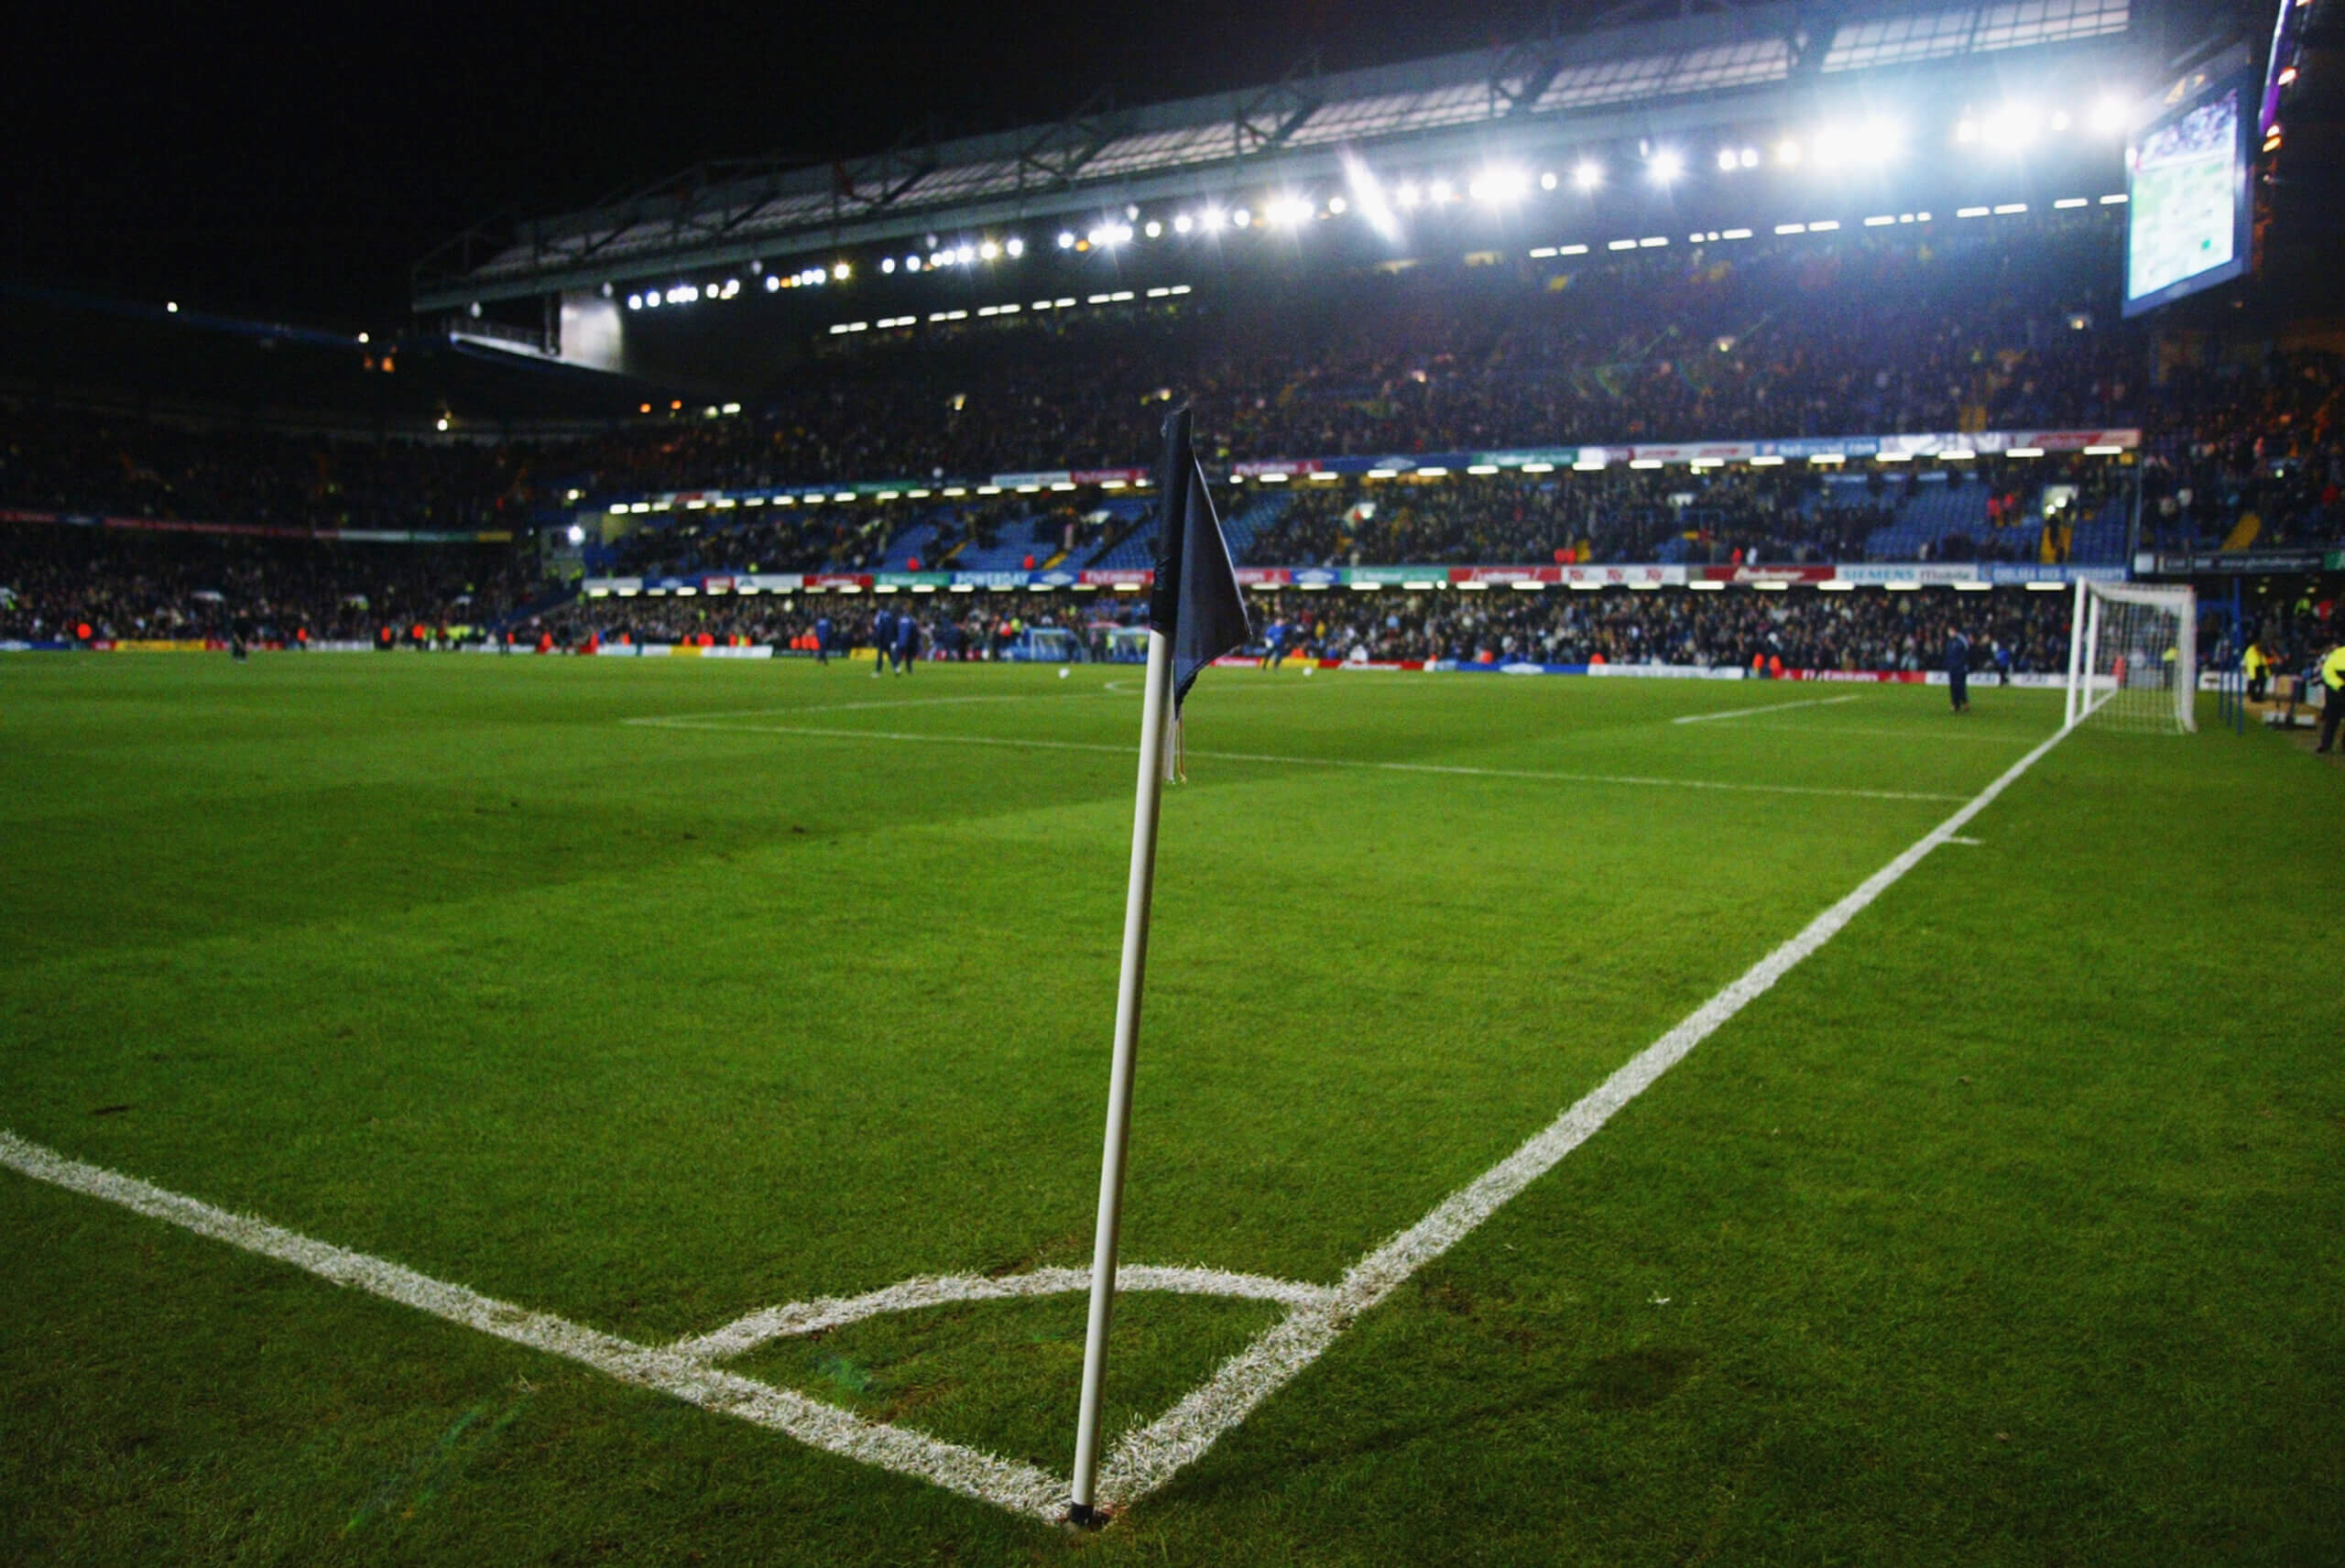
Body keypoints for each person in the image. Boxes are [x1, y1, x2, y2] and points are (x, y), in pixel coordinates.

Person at [2318, 637, 2345, 755]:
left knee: (2332, 721)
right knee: (2333, 720)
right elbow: (2327, 672)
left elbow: (2326, 673)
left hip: (2335, 691)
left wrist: (2339, 685)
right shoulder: (2336, 655)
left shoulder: (2334, 656)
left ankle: (2326, 745)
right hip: (2337, 690)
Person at [1946, 625, 1970, 713]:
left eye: (1950, 631)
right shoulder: (1950, 642)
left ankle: (1964, 702)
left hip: (1960, 667)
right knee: (1953, 686)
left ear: (1954, 630)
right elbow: (1948, 655)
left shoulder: (1961, 640)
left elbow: (1966, 653)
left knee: (1960, 686)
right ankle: (1955, 704)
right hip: (1952, 668)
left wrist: (1964, 665)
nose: (1949, 633)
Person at [870, 607, 897, 677]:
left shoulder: (879, 617)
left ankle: (878, 672)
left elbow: (880, 629)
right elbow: (894, 624)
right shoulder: (888, 615)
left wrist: (877, 637)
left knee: (880, 656)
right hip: (889, 638)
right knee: (890, 655)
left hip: (882, 639)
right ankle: (896, 668)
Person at [893, 609, 920, 674]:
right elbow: (915, 632)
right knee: (909, 656)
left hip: (900, 641)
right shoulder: (912, 621)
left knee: (898, 655)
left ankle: (897, 668)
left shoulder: (900, 620)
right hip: (908, 641)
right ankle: (909, 669)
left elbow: (895, 629)